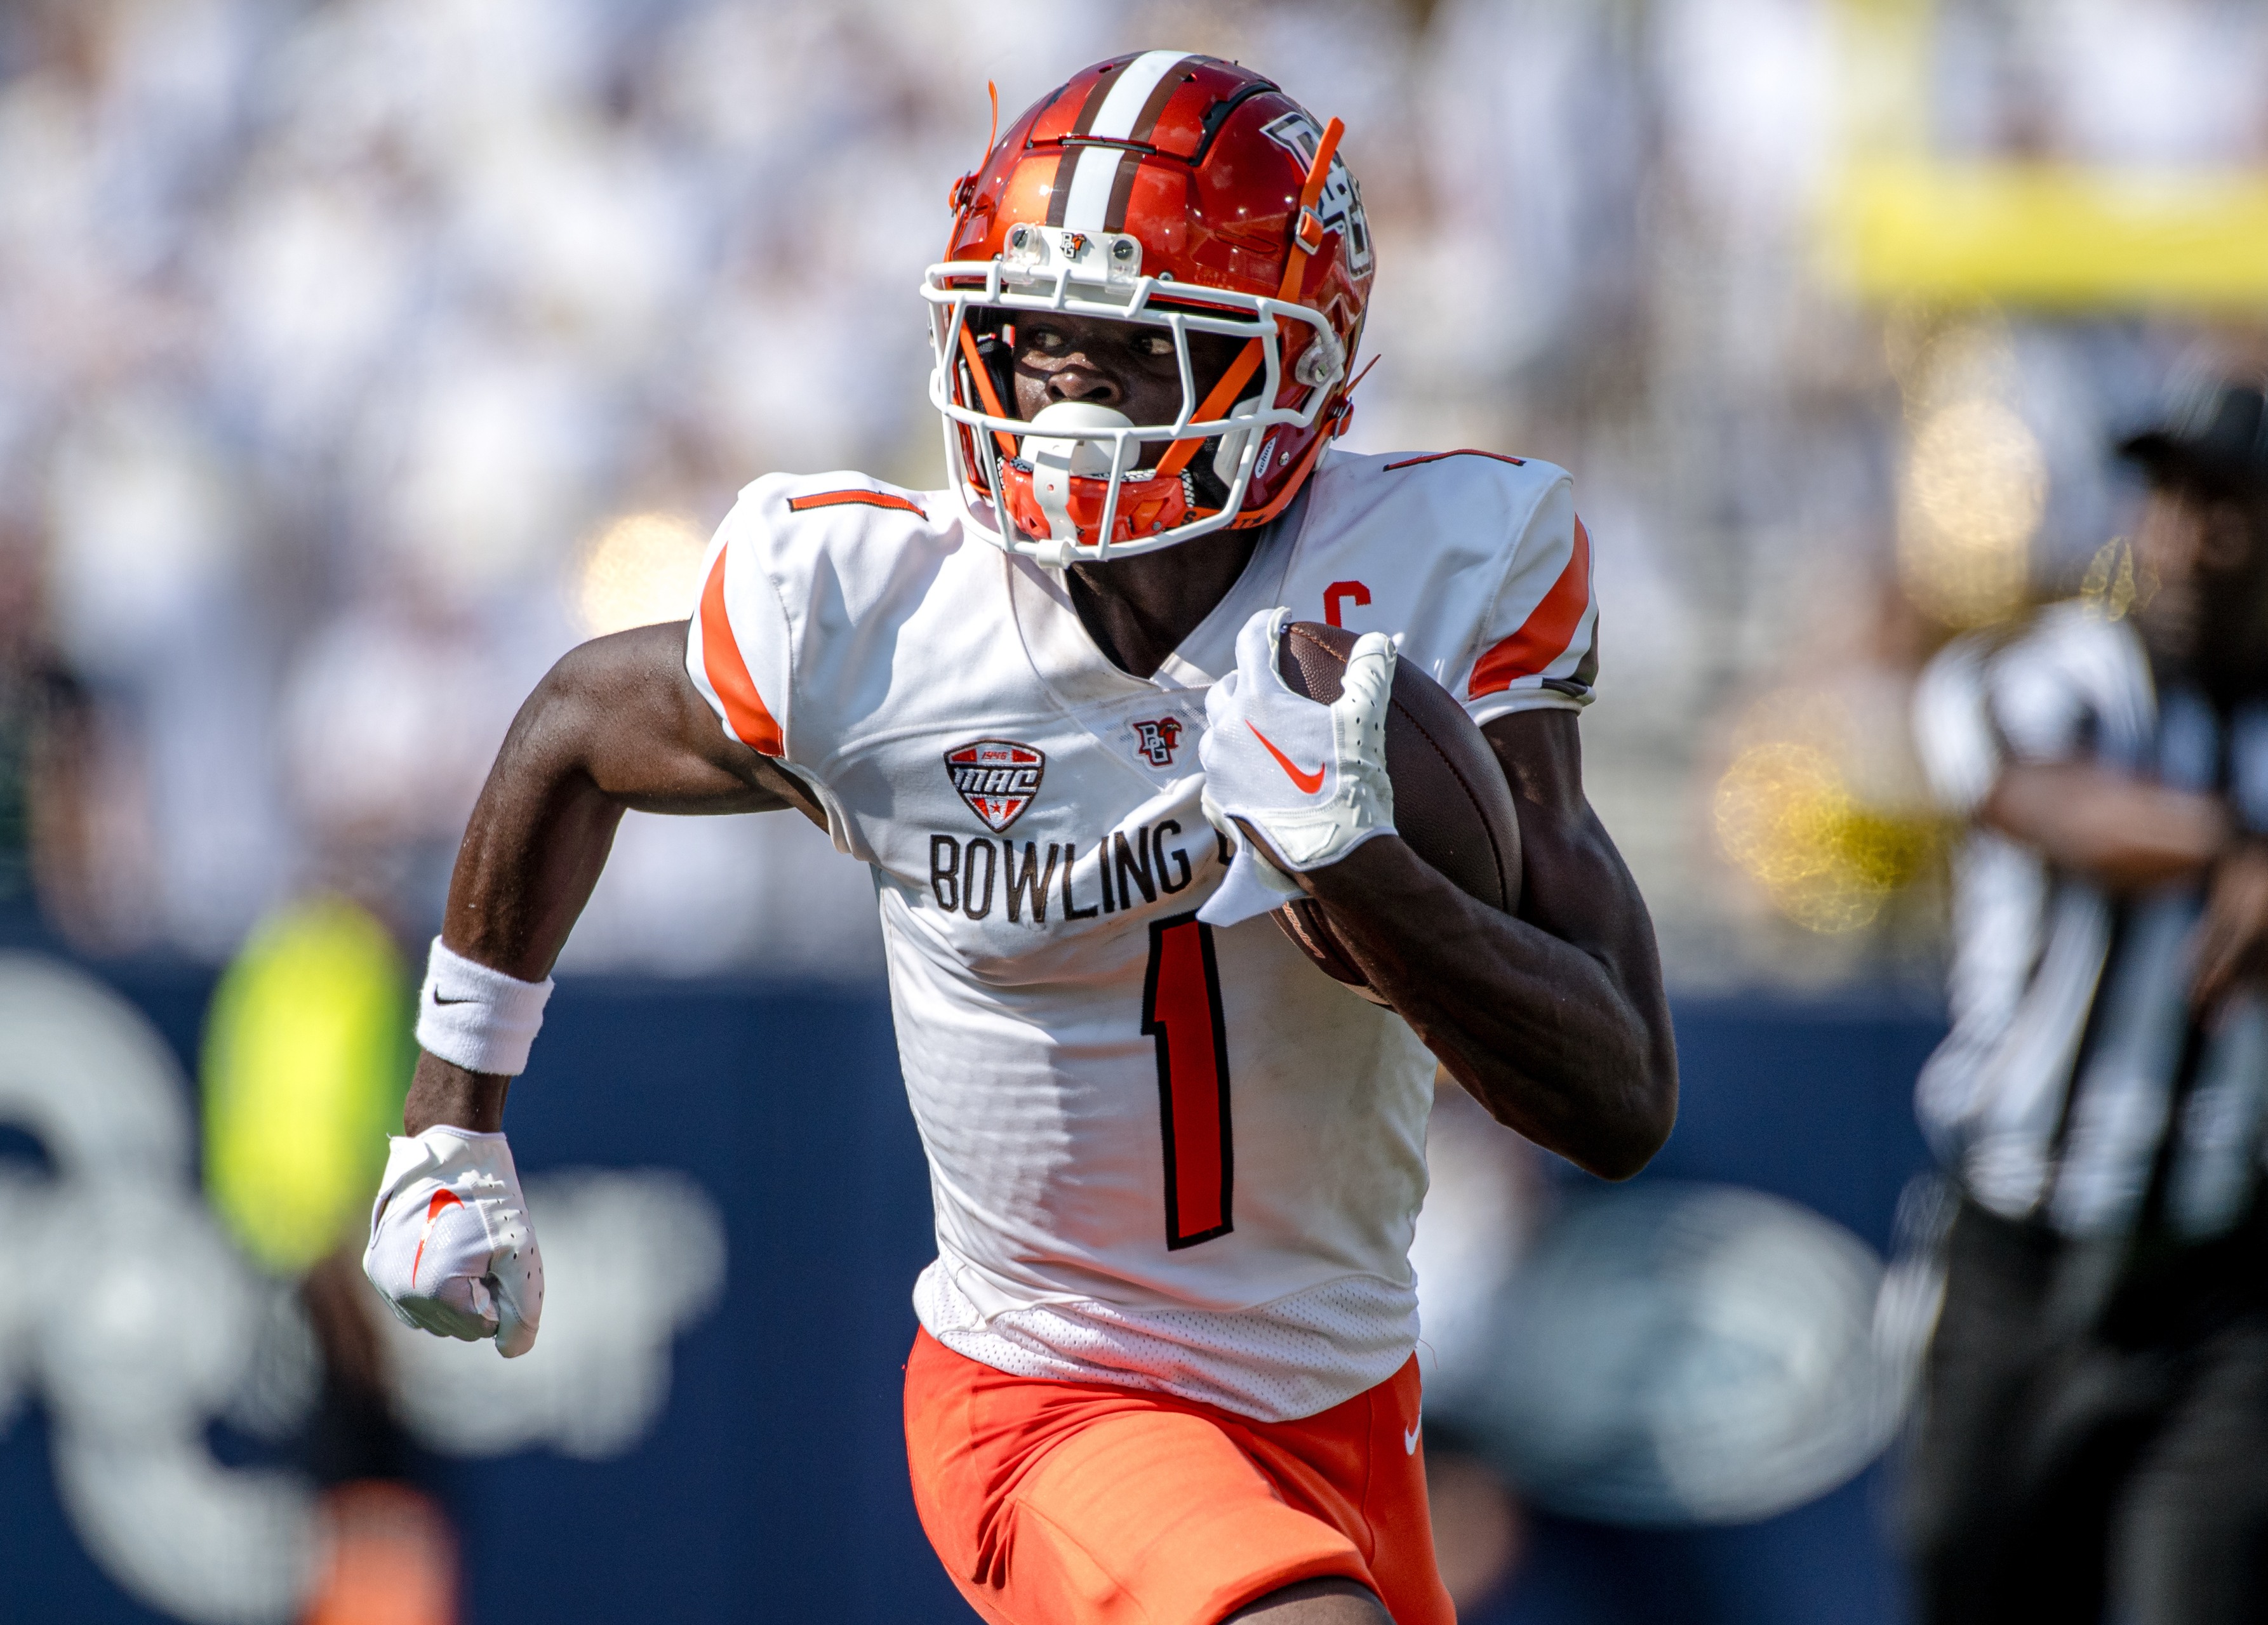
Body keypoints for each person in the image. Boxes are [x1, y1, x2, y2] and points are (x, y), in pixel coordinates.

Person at [359, 53, 1674, 1625]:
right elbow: (576, 725)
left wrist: (1360, 864)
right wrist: (450, 1124)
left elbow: (1617, 1093)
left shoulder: (1432, 575)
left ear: (1292, 371)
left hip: (1347, 1397)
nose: (1060, 393)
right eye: (1028, 335)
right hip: (1052, 1393)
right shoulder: (877, 616)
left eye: (1134, 346)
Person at [1905, 371, 2268, 1624]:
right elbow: (2033, 794)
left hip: (2218, 1281)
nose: (2186, 536)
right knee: (1970, 1575)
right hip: (2019, 1245)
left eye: (2226, 504)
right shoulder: (2066, 673)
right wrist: (2235, 850)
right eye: (2170, 497)